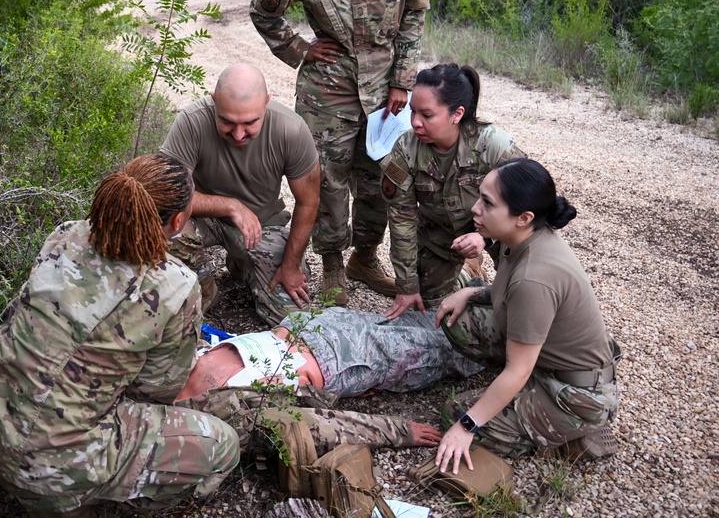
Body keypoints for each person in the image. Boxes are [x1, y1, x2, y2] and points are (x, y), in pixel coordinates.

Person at [0, 154, 240, 517]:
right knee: (222, 444)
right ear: (178, 221)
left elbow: (17, 313)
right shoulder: (175, 285)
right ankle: (90, 501)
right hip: (50, 468)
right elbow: (156, 389)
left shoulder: (67, 232)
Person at [250, 0, 430, 304]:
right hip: (326, 93)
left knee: (380, 181)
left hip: (384, 92)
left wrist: (403, 80)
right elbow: (262, 9)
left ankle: (365, 258)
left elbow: (414, 16)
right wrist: (301, 49)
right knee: (326, 182)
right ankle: (332, 264)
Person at [433, 159, 621, 473]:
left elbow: (518, 369)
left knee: (455, 413)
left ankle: (575, 434)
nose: (475, 209)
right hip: (549, 361)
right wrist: (472, 292)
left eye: (488, 203)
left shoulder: (534, 278)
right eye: (480, 197)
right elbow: (509, 293)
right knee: (462, 323)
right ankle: (530, 401)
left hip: (577, 394)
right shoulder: (525, 238)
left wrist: (466, 427)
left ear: (524, 217)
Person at [174, 308, 471, 455]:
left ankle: (503, 314)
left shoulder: (202, 402)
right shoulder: (175, 372)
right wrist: (398, 431)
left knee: (458, 341)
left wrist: (397, 431)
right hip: (314, 330)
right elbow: (320, 425)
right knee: (448, 333)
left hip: (342, 352)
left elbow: (320, 426)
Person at [161, 63, 321, 327]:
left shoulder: (291, 130)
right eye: (226, 121)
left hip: (260, 225)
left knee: (291, 320)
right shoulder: (191, 121)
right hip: (201, 218)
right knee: (159, 229)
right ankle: (202, 284)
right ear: (213, 102)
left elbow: (309, 201)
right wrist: (230, 205)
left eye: (250, 123)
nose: (238, 134)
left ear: (267, 104)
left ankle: (242, 264)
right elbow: (169, 192)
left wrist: (290, 266)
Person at [380, 63, 525, 320]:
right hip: (439, 236)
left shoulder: (493, 146)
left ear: (457, 114)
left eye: (427, 115)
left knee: (519, 298)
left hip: (498, 233)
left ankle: (478, 264)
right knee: (431, 311)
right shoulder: (405, 149)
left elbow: (530, 204)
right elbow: (402, 219)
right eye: (413, 112)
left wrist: (486, 238)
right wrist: (406, 285)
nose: (415, 123)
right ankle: (468, 271)